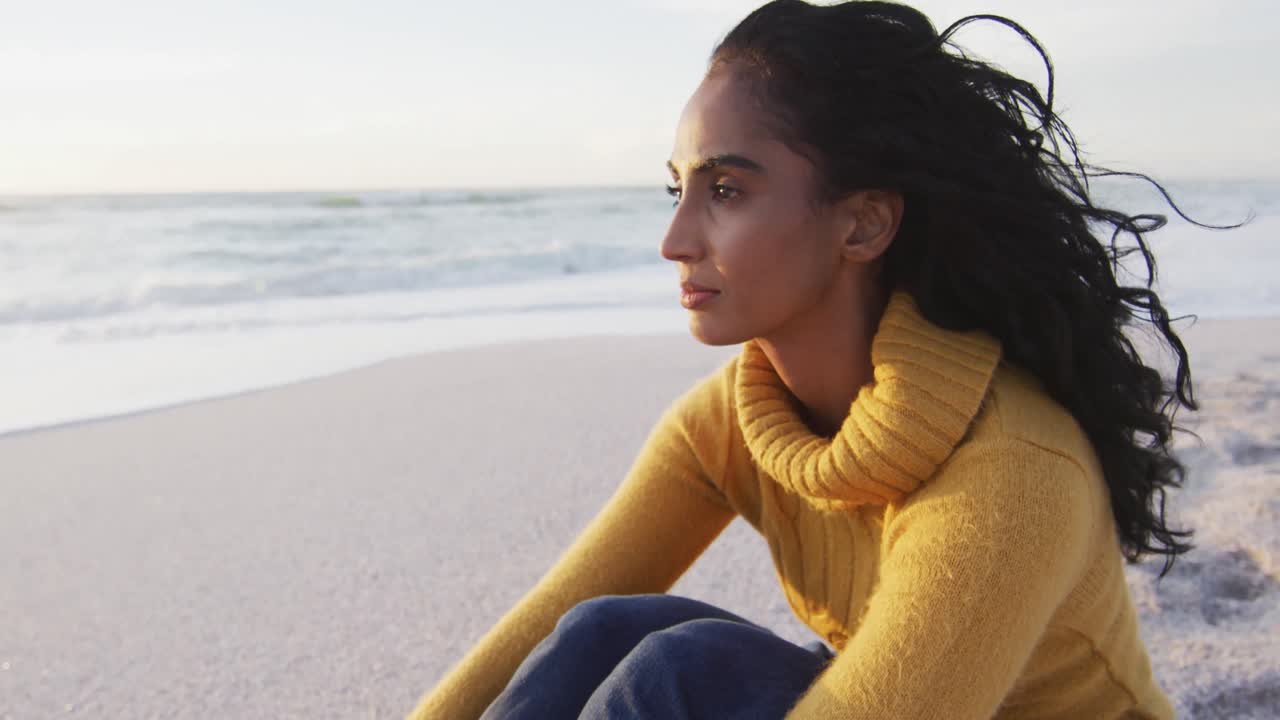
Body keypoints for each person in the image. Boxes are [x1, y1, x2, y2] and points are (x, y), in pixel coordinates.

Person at [408, 1, 1235, 717]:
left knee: (678, 673)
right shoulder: (733, 420)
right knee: (603, 629)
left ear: (863, 225)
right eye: (678, 190)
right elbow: (555, 610)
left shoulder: (1012, 473)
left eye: (726, 191)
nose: (674, 240)